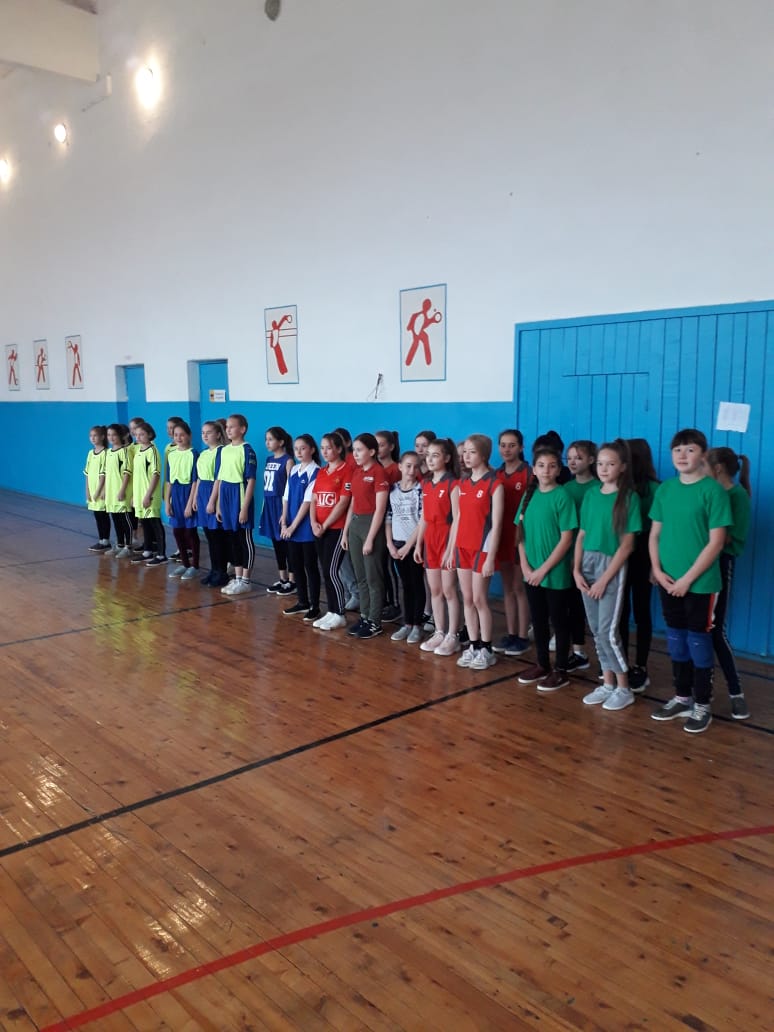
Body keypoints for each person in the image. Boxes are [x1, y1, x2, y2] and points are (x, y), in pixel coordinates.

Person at [649, 428, 732, 734]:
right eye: (677, 450)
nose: (682, 455)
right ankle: (682, 697)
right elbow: (655, 534)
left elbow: (716, 542)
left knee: (698, 641)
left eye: (690, 450)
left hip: (700, 584)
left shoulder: (713, 492)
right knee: (675, 640)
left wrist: (687, 579)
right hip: (668, 580)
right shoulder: (666, 490)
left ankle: (702, 704)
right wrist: (657, 569)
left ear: (703, 455)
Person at [574, 440, 642, 711]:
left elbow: (627, 545)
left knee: (608, 631)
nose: (603, 468)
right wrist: (576, 569)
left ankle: (624, 687)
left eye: (610, 464)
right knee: (596, 630)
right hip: (587, 563)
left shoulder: (628, 498)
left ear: (622, 467)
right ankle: (608, 683)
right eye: (600, 463)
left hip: (611, 566)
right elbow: (582, 534)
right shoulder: (592, 494)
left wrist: (604, 580)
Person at [516, 445, 578, 691]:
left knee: (559, 622)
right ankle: (542, 664)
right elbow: (520, 535)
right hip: (530, 573)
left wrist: (543, 570)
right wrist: (525, 566)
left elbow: (566, 539)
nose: (546, 470)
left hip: (555, 573)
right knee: (539, 620)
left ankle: (561, 669)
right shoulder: (529, 496)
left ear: (559, 470)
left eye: (552, 466)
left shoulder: (563, 496)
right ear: (534, 469)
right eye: (541, 465)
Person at [446, 434, 503, 670]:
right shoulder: (462, 484)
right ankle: (474, 644)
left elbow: (497, 525)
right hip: (463, 548)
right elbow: (458, 519)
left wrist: (491, 557)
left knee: (480, 599)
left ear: (484, 455)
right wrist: (451, 550)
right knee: (467, 598)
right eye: (465, 452)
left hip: (482, 549)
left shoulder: (494, 484)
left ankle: (487, 649)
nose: (466, 457)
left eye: (472, 452)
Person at [705, 446, 752, 719]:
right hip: (704, 565)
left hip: (721, 564)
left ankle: (736, 693)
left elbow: (728, 538)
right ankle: (704, 688)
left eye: (704, 465)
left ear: (717, 468)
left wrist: (705, 536)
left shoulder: (738, 496)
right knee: (701, 630)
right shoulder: (713, 493)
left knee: (716, 631)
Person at [414, 438, 461, 656]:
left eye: (435, 455)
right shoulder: (425, 483)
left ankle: (453, 635)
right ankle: (439, 631)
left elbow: (458, 518)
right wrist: (418, 543)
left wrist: (451, 550)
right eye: (428, 455)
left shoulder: (453, 484)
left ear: (447, 458)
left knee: (449, 590)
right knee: (435, 590)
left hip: (446, 537)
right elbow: (424, 516)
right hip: (430, 539)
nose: (430, 459)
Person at [619, 438, 660, 690]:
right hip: (622, 552)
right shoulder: (620, 488)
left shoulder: (655, 489)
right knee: (620, 611)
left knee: (642, 611)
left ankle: (641, 666)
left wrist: (656, 566)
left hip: (644, 553)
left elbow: (660, 532)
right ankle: (620, 661)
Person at [342, 433, 389, 638]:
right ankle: (365, 616)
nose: (355, 454)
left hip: (371, 525)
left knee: (373, 577)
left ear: (371, 451)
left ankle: (375, 621)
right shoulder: (357, 472)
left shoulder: (379, 472)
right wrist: (346, 532)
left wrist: (370, 538)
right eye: (354, 450)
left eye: (360, 450)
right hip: (356, 525)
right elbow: (352, 503)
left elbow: (380, 509)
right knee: (360, 576)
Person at [492, 429, 531, 656]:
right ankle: (511, 633)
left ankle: (523, 636)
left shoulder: (528, 473)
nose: (507, 449)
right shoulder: (495, 475)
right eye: (503, 445)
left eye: (512, 445)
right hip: (502, 537)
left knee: (519, 588)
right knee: (507, 587)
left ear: (521, 448)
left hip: (520, 539)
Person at [210, 414, 257, 596]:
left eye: (232, 426)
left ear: (242, 429)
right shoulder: (224, 451)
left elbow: (251, 480)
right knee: (233, 539)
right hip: (226, 496)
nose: (228, 429)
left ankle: (246, 580)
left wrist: (244, 508)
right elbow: (220, 478)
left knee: (244, 538)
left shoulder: (247, 450)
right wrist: (219, 505)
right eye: (227, 427)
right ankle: (237, 578)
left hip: (240, 494)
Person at [309, 431, 351, 630]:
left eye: (329, 448)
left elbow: (343, 503)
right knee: (325, 571)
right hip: (319, 529)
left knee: (331, 571)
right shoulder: (322, 471)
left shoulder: (347, 471)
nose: (325, 451)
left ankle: (340, 613)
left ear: (339, 449)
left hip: (335, 529)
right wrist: (313, 523)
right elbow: (314, 499)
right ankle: (332, 611)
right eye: (322, 448)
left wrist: (325, 525)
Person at [562, 439, 598, 671]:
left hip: (594, 556)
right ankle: (578, 651)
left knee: (596, 611)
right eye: (570, 458)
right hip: (569, 556)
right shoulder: (566, 489)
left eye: (579, 458)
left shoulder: (598, 488)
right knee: (573, 606)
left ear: (591, 460)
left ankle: (608, 662)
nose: (573, 462)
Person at [280, 434, 321, 621]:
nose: (299, 452)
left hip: (305, 528)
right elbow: (286, 496)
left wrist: (293, 526)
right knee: (296, 566)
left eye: (303, 448)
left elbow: (307, 501)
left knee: (310, 566)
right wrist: (284, 520)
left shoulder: (316, 471)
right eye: (296, 449)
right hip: (290, 526)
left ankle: (315, 605)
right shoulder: (294, 469)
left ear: (312, 449)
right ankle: (302, 601)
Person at [386, 451, 425, 643]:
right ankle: (407, 623)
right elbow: (388, 517)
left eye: (416, 466)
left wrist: (409, 546)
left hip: (414, 545)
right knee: (406, 585)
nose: (412, 470)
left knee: (417, 584)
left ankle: (417, 625)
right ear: (400, 466)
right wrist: (390, 544)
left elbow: (423, 520)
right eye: (408, 466)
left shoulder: (420, 490)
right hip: (397, 544)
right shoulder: (392, 489)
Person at [258, 426, 295, 595]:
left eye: (271, 439)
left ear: (281, 442)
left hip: (281, 505)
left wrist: (286, 512)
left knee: (287, 544)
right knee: (276, 543)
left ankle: (293, 581)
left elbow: (290, 488)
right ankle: (283, 578)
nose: (267, 442)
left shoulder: (288, 461)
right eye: (266, 439)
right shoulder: (268, 459)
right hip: (269, 505)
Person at [164, 420, 200, 581]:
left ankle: (195, 566)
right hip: (176, 493)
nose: (178, 438)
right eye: (176, 435)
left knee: (190, 531)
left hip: (188, 493)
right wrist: (167, 502)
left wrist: (190, 503)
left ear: (189, 436)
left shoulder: (194, 454)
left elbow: (195, 481)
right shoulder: (171, 455)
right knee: (177, 530)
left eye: (182, 435)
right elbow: (169, 481)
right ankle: (184, 564)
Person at [195, 420, 229, 587]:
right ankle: (214, 569)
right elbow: (199, 478)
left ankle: (222, 572)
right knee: (209, 535)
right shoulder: (203, 453)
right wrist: (195, 498)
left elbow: (218, 479)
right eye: (203, 432)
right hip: (202, 492)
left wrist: (212, 501)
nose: (205, 435)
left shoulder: (221, 451)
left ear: (218, 434)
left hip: (213, 493)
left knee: (218, 536)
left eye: (209, 432)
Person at [131, 421, 167, 566]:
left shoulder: (153, 451)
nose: (138, 437)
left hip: (150, 494)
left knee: (155, 523)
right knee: (144, 523)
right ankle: (147, 551)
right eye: (137, 434)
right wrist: (135, 495)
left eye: (142, 434)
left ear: (150, 435)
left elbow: (155, 474)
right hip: (139, 493)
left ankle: (161, 554)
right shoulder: (138, 450)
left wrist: (148, 495)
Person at [376, 429, 403, 622]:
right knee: (378, 566)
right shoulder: (374, 469)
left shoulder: (396, 470)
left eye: (381, 445)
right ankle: (383, 601)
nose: (377, 449)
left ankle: (394, 604)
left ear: (391, 447)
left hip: (392, 524)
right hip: (376, 522)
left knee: (388, 565)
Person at [334, 426, 359, 611]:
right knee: (340, 561)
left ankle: (355, 592)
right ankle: (349, 592)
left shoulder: (352, 463)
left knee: (346, 559)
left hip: (349, 517)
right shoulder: (338, 463)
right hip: (337, 516)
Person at [104, 423, 134, 558]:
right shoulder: (109, 453)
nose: (111, 437)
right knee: (116, 520)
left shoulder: (125, 452)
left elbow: (127, 473)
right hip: (111, 492)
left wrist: (122, 490)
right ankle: (120, 544)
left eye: (114, 435)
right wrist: (105, 490)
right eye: (109, 435)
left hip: (122, 491)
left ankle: (129, 547)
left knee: (125, 519)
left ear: (121, 436)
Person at [84, 426, 110, 552]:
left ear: (102, 437)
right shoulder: (90, 453)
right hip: (92, 490)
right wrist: (88, 491)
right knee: (97, 516)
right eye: (91, 436)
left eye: (95, 435)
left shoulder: (105, 453)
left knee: (103, 515)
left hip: (100, 491)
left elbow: (104, 475)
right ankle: (101, 540)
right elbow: (87, 474)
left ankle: (106, 541)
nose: (93, 438)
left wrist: (100, 491)